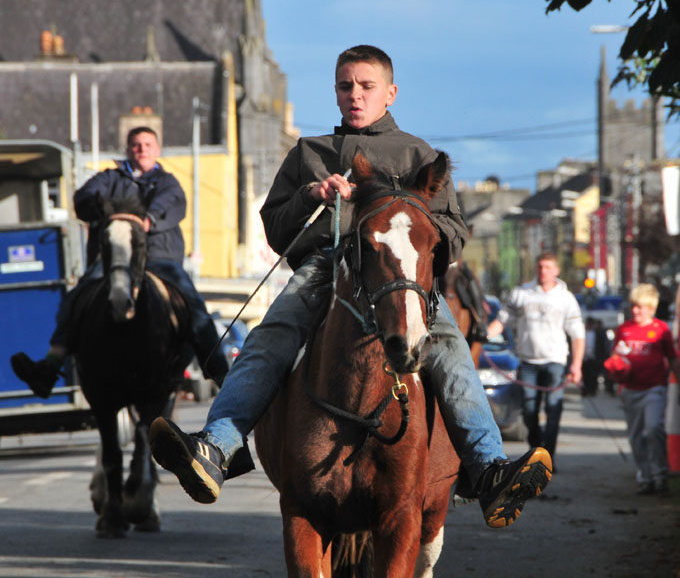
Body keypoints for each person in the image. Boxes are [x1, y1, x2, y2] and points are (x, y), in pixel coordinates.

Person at [149, 44, 552, 528]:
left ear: (391, 92)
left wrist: (405, 219)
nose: (355, 96)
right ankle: (217, 447)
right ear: (336, 92)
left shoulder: (420, 155)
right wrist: (311, 195)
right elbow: (277, 230)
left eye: (366, 86)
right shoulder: (309, 153)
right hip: (325, 269)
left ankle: (487, 468)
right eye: (345, 86)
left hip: (398, 277)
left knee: (449, 348)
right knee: (269, 337)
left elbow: (454, 232)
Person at [10, 127, 228, 396]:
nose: (142, 149)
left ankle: (221, 374)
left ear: (157, 150)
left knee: (192, 304)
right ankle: (49, 368)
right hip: (113, 256)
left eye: (148, 144)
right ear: (127, 149)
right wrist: (100, 208)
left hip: (158, 258)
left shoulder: (167, 182)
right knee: (78, 297)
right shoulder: (109, 178)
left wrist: (147, 218)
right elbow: (84, 198)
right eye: (136, 145)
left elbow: (171, 202)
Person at [487, 251, 585, 466]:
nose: (543, 271)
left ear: (556, 270)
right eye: (540, 266)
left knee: (553, 408)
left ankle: (547, 458)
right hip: (528, 362)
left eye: (548, 267)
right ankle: (536, 447)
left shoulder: (565, 298)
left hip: (555, 361)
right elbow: (502, 321)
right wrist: (483, 335)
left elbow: (577, 334)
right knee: (529, 410)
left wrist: (576, 365)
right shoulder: (522, 293)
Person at [607, 283, 680, 495]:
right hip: (630, 389)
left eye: (640, 306)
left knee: (653, 428)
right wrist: (615, 365)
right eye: (633, 306)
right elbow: (616, 356)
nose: (635, 310)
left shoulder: (660, 329)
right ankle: (645, 477)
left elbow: (672, 357)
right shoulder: (624, 329)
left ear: (651, 307)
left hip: (654, 388)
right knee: (636, 435)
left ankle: (660, 475)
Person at [581, 317, 609, 396]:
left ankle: (592, 390)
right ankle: (585, 389)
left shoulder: (598, 333)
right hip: (584, 358)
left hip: (595, 358)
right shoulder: (583, 333)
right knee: (585, 375)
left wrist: (602, 357)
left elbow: (602, 346)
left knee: (594, 375)